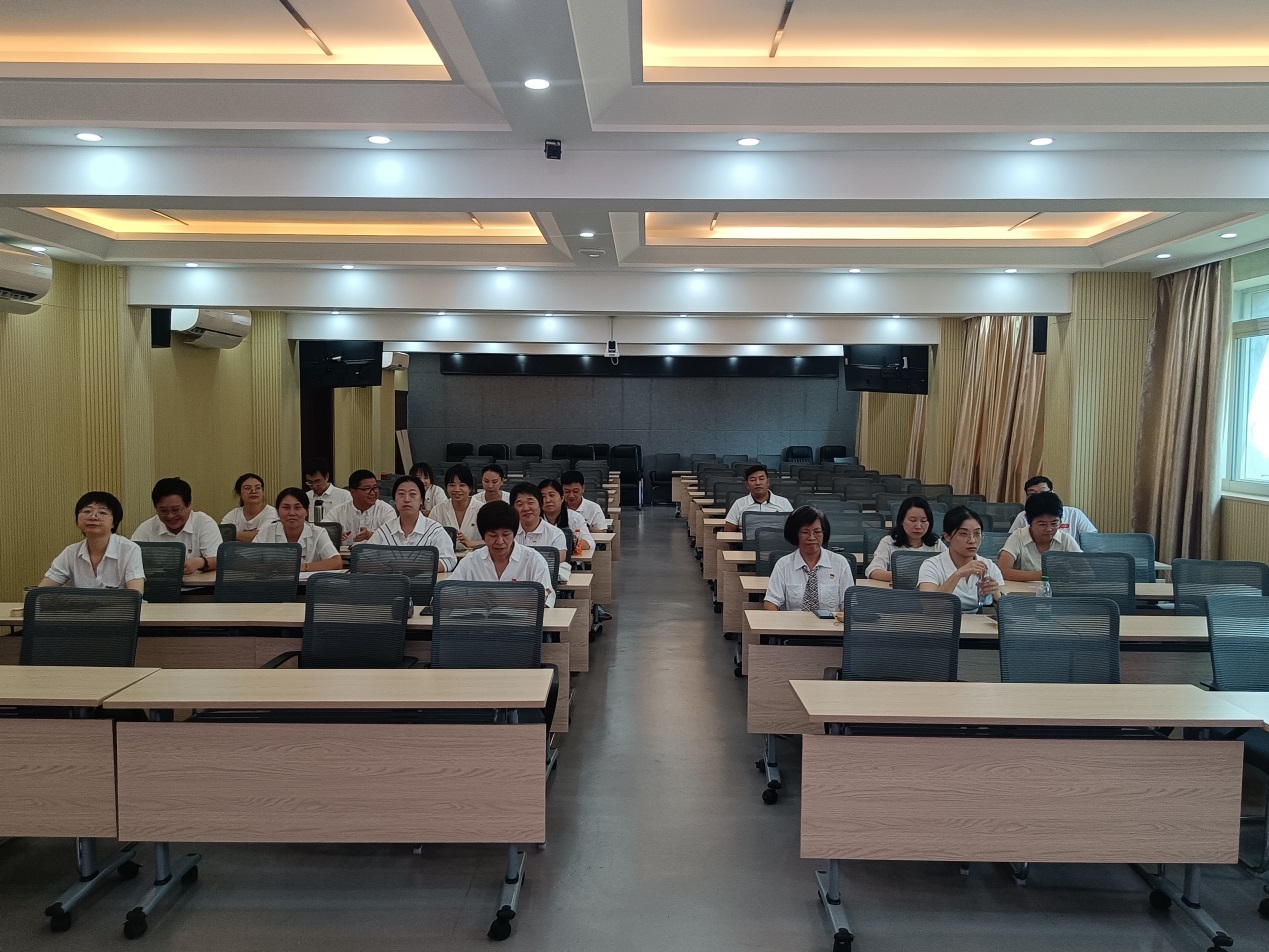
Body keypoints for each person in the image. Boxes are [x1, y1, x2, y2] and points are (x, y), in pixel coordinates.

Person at [448, 501, 556, 606]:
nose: (500, 541)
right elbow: (446, 592)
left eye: (506, 534)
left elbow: (546, 596)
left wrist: (500, 601)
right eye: (493, 535)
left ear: (514, 534)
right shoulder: (471, 561)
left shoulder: (533, 559)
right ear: (483, 536)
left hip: (521, 618)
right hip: (479, 617)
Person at [40, 491, 145, 593]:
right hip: (83, 605)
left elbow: (136, 594)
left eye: (102, 512)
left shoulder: (129, 549)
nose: (93, 517)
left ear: (115, 522)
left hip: (121, 605)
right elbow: (41, 592)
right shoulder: (71, 552)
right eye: (87, 511)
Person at [763, 506, 855, 612]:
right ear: (795, 534)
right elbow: (771, 602)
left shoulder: (840, 563)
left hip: (830, 622)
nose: (811, 537)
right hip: (793, 622)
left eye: (817, 532)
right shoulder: (783, 565)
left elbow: (849, 605)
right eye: (805, 532)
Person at [917, 505, 1004, 612]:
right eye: (964, 534)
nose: (972, 540)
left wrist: (996, 596)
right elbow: (930, 608)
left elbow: (1007, 614)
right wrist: (958, 574)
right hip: (942, 621)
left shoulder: (989, 566)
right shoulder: (931, 565)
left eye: (977, 534)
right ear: (947, 536)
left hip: (975, 622)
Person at [132, 476, 222, 575]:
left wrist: (201, 562)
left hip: (198, 584)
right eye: (163, 511)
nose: (170, 516)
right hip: (158, 583)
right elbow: (130, 559)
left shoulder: (204, 523)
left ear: (189, 505)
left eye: (176, 510)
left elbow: (219, 560)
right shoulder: (147, 528)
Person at [366, 475, 457, 570]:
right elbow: (364, 559)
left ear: (421, 500)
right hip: (391, 579)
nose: (407, 499)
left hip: (423, 579)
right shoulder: (384, 531)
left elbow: (448, 561)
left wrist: (412, 566)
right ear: (394, 500)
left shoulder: (434, 530)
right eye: (401, 494)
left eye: (412, 494)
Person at [998, 491, 1082, 582]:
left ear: (1060, 521)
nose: (1049, 529)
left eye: (1054, 523)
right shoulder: (1018, 537)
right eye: (1042, 524)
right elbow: (1003, 571)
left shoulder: (1065, 539)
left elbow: (1086, 571)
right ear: (1030, 522)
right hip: (1023, 590)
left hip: (1058, 589)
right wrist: (1044, 575)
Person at [253, 487, 343, 572]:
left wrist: (302, 567)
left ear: (307, 511)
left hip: (306, 583)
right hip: (274, 581)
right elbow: (248, 559)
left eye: (297, 507)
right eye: (286, 508)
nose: (292, 513)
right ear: (277, 512)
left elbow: (336, 562)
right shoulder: (267, 531)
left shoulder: (318, 532)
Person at [865, 496, 945, 582]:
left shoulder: (937, 544)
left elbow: (950, 569)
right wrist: (906, 578)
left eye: (923, 521)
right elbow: (873, 571)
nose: (918, 526)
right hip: (899, 590)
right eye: (913, 520)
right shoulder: (889, 542)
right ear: (901, 521)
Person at [1007, 475, 1098, 541]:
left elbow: (1092, 541)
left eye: (1043, 492)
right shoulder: (1022, 516)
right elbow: (1011, 540)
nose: (1039, 497)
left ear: (1052, 493)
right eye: (1032, 494)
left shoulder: (1074, 514)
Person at [327, 469, 396, 545]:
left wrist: (370, 536)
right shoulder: (337, 512)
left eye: (375, 488)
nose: (373, 493)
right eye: (367, 489)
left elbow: (393, 539)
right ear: (353, 492)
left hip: (376, 553)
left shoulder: (386, 510)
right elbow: (322, 532)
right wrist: (334, 535)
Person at [723, 464, 792, 532]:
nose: (758, 483)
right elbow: (728, 530)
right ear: (747, 485)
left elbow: (794, 527)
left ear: (768, 482)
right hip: (747, 539)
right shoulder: (739, 503)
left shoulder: (784, 502)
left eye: (761, 479)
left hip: (777, 539)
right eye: (753, 480)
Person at [510, 481, 568, 560]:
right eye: (520, 504)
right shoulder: (507, 533)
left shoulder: (555, 534)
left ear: (540, 504)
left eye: (530, 503)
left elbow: (556, 563)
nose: (526, 508)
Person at [430, 464, 483, 549]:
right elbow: (429, 539)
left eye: (462, 485)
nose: (457, 489)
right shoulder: (437, 510)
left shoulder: (482, 509)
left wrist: (471, 543)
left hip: (476, 555)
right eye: (452, 485)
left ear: (470, 488)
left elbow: (492, 539)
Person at [540, 477, 595, 557]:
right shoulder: (533, 520)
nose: (548, 500)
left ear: (562, 498)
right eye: (543, 497)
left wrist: (570, 543)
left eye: (552, 495)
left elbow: (590, 544)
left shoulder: (575, 518)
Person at [221, 472, 277, 542]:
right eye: (247, 488)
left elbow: (263, 537)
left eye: (258, 488)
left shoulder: (272, 513)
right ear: (239, 493)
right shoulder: (233, 514)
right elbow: (221, 534)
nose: (253, 491)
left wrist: (232, 535)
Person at [303, 458, 351, 523]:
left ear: (326, 477)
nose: (314, 486)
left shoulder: (344, 495)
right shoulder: (306, 497)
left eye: (317, 481)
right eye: (310, 482)